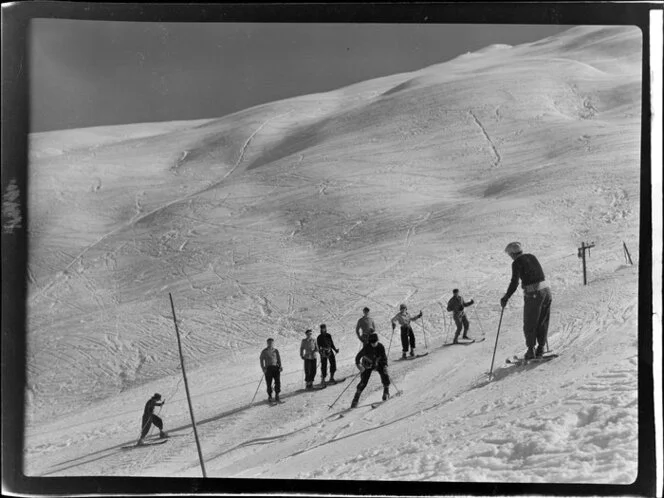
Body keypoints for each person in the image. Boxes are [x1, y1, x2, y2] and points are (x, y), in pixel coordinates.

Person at [500, 242, 552, 360]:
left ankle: (531, 350)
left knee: (530, 322)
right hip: (546, 291)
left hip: (534, 294)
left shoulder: (517, 263)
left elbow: (514, 282)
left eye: (509, 254)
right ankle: (540, 348)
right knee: (542, 320)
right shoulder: (532, 257)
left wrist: (506, 297)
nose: (510, 257)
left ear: (513, 254)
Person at [351, 333, 390, 408]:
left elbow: (384, 357)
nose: (374, 344)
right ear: (370, 342)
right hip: (367, 364)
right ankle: (356, 398)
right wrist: (359, 366)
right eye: (372, 343)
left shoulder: (381, 346)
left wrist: (385, 365)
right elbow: (358, 357)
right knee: (363, 381)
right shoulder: (366, 347)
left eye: (375, 342)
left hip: (378, 363)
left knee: (385, 374)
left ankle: (386, 391)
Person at [260, 338, 283, 402]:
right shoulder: (264, 351)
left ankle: (277, 395)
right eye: (269, 342)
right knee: (269, 383)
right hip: (268, 369)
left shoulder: (276, 350)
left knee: (277, 382)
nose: (270, 344)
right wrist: (263, 368)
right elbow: (261, 360)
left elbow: (278, 359)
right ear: (267, 343)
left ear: (273, 343)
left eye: (271, 343)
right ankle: (270, 396)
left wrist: (280, 366)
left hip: (276, 368)